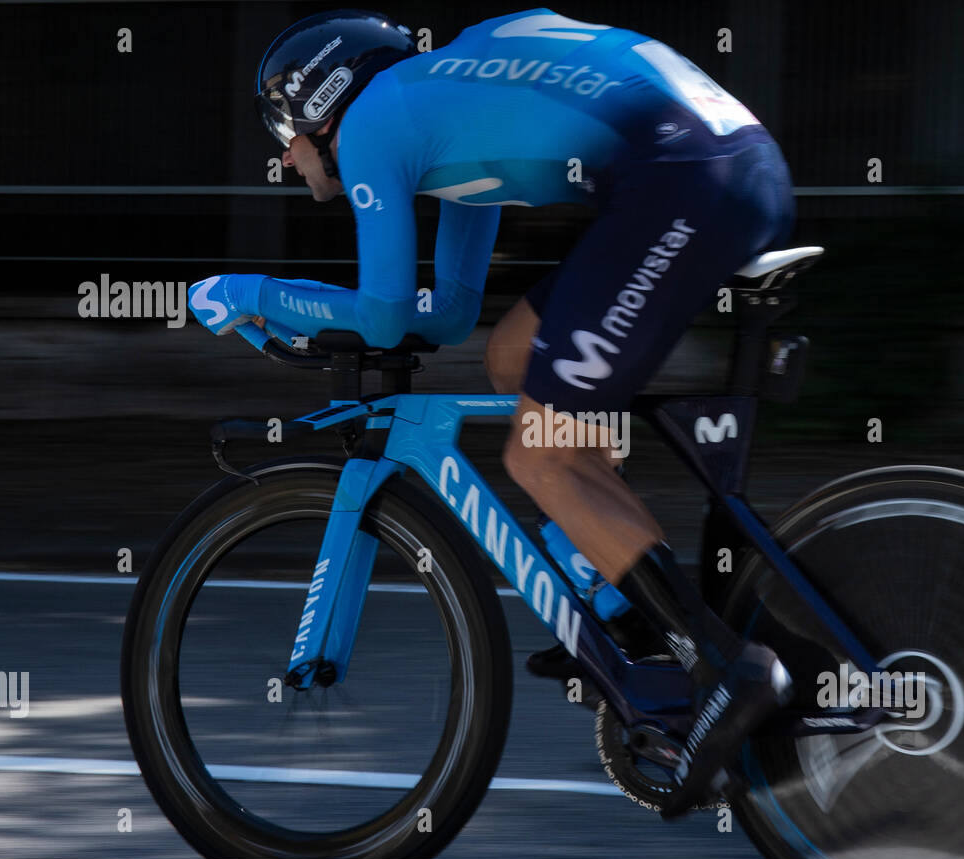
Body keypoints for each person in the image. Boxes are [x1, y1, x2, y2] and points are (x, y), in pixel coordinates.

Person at [188, 7, 794, 817]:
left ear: (323, 101)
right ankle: (608, 584)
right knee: (514, 359)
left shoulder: (374, 123)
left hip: (681, 179)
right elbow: (440, 318)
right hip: (726, 164)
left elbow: (379, 318)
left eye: (285, 130)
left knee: (537, 455)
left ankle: (723, 668)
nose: (287, 156)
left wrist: (248, 293)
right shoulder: (440, 108)